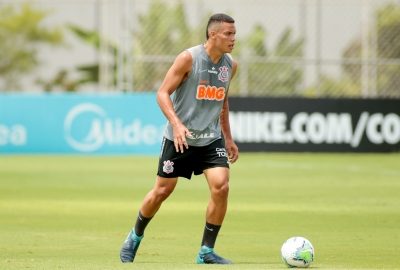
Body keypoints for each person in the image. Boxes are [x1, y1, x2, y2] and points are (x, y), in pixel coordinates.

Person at [120, 13, 239, 264]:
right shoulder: (189, 58)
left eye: (234, 34)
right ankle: (135, 235)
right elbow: (162, 93)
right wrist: (176, 124)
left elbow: (223, 103)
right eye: (228, 34)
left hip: (210, 139)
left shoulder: (230, 66)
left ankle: (206, 252)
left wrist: (228, 138)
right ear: (213, 34)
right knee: (162, 191)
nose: (233, 39)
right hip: (180, 139)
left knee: (222, 186)